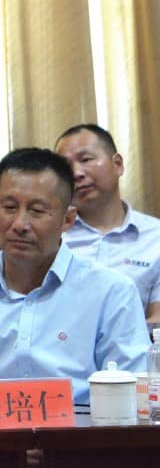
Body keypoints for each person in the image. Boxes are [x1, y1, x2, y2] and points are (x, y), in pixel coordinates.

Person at [0, 148, 149, 404]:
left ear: (68, 219)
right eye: (9, 207)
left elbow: (133, 403)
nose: (19, 224)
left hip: (84, 430)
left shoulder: (112, 293)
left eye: (37, 210)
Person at [55, 124, 160, 322]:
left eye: (86, 159)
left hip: (137, 341)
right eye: (66, 167)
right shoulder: (50, 236)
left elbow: (157, 324)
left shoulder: (155, 237)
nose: (76, 173)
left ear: (117, 164)